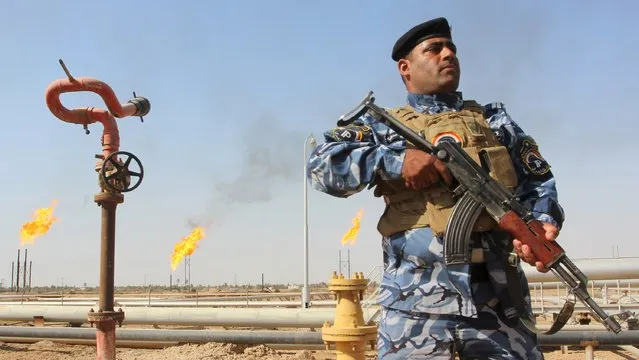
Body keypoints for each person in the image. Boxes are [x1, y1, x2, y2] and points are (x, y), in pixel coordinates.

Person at [306, 17, 565, 359]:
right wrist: (396, 161)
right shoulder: (384, 126)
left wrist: (542, 224)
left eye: (452, 48)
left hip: (502, 305)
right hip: (414, 307)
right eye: (434, 49)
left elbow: (539, 180)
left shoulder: (495, 122)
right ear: (405, 67)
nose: (448, 54)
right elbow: (321, 167)